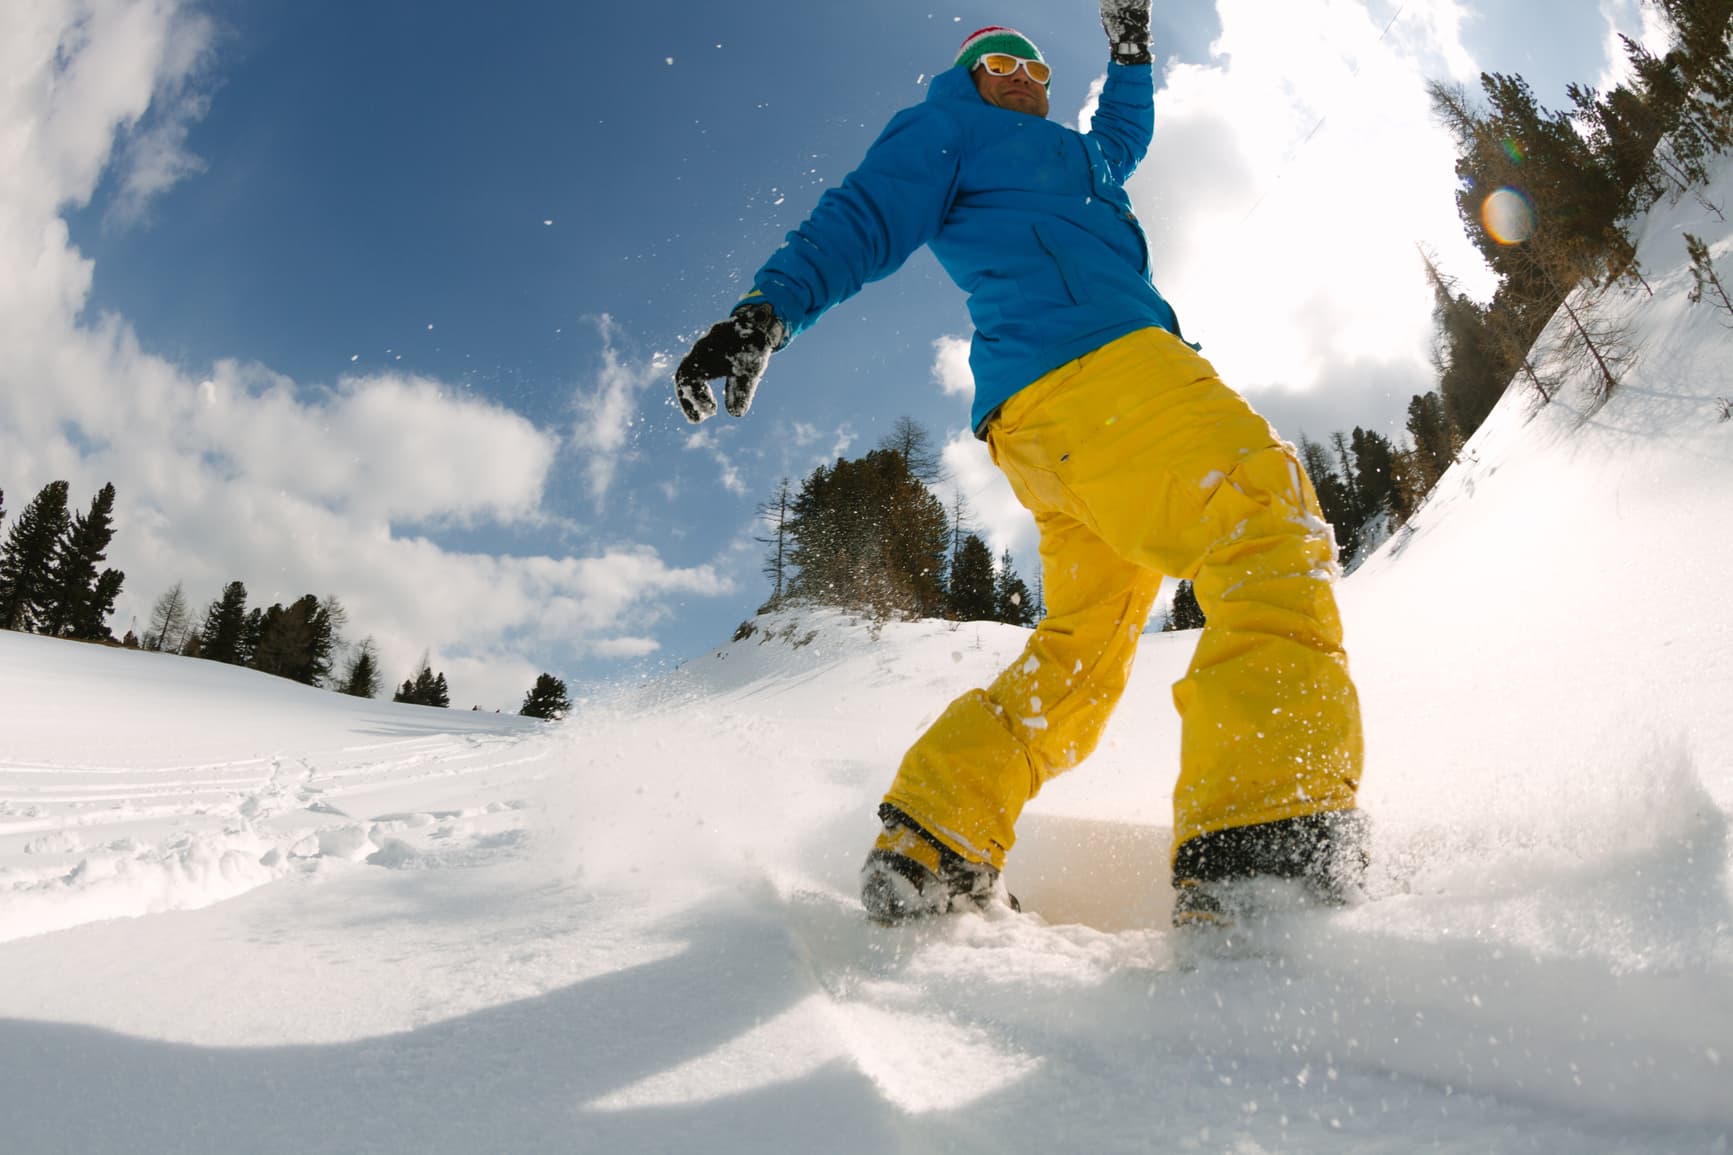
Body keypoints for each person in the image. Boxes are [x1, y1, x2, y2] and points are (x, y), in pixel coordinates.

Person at [675, 4, 1367, 928]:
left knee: (1081, 649)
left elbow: (1123, 133)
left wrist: (1129, 52)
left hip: (1049, 430)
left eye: (1036, 66)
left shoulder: (1079, 159)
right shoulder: (950, 128)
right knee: (1264, 517)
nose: (1023, 74)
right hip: (1105, 374)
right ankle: (1264, 843)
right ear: (969, 77)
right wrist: (768, 311)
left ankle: (936, 834)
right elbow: (867, 214)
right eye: (1001, 59)